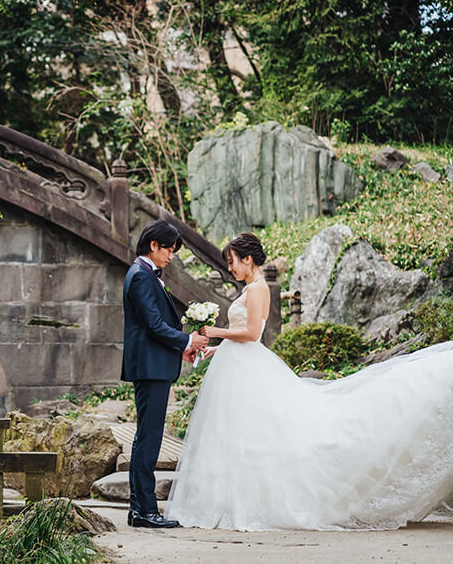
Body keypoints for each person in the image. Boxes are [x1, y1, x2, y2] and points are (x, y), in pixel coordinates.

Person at [167, 231, 453, 530]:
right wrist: (212, 348)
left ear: (248, 258)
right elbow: (240, 335)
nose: (230, 268)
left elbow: (252, 334)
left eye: (233, 261)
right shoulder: (249, 288)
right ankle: (234, 500)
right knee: (240, 435)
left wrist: (215, 332)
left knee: (263, 433)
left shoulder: (258, 289)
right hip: (236, 363)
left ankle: (260, 502)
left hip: (248, 367)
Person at [122, 219, 208, 529]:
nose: (171, 256)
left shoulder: (145, 274)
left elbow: (156, 325)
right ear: (153, 246)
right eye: (168, 250)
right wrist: (188, 340)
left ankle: (139, 510)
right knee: (148, 439)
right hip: (150, 367)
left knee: (146, 437)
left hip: (153, 364)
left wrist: (181, 347)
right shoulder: (142, 277)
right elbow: (153, 325)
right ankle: (145, 511)